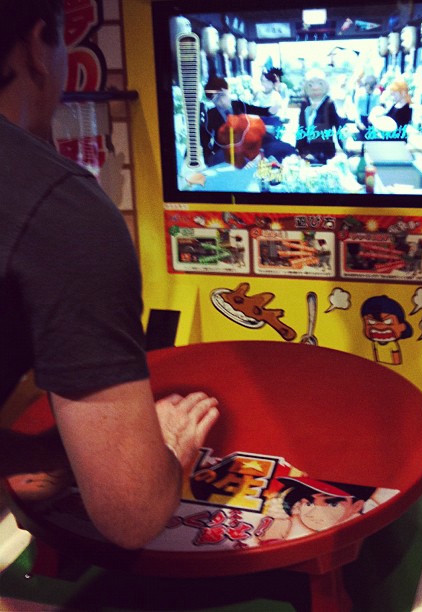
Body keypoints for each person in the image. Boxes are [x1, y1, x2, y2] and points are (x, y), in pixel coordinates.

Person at [0, 1, 219, 549]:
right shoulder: (60, 210)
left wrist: (54, 451)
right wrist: (168, 450)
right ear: (36, 46)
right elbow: (132, 513)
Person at [200, 76, 295, 167]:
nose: (221, 102)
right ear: (211, 100)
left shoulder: (238, 105)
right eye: (216, 99)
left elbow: (255, 109)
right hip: (228, 151)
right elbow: (205, 140)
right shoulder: (209, 116)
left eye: (222, 95)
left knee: (280, 147)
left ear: (227, 90)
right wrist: (208, 159)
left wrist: (269, 111)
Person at [296, 68, 344, 164]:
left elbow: (337, 125)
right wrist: (298, 148)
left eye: (319, 83)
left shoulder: (329, 103)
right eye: (311, 84)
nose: (315, 88)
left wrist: (343, 146)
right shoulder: (305, 103)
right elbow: (301, 127)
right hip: (307, 149)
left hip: (325, 150)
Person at [354, 74, 381, 139]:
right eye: (369, 89)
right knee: (361, 137)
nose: (370, 91)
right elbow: (356, 109)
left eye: (373, 89)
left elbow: (376, 108)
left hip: (372, 118)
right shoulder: (360, 93)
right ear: (365, 85)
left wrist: (374, 118)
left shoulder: (377, 93)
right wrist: (359, 122)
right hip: (361, 117)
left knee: (372, 138)